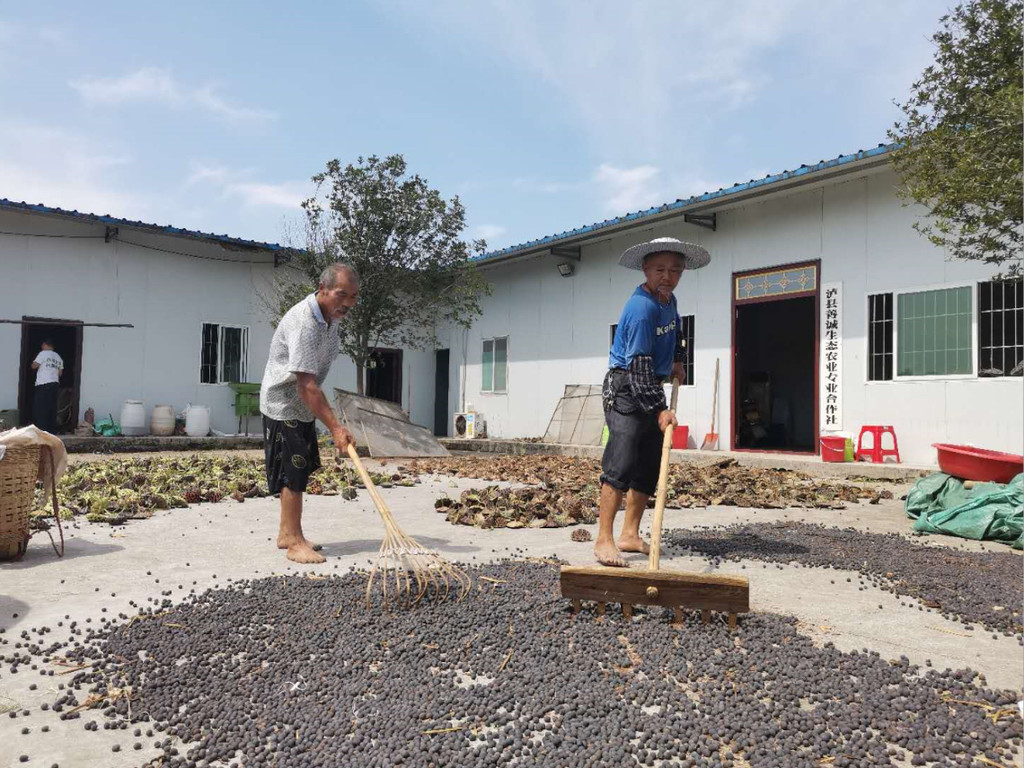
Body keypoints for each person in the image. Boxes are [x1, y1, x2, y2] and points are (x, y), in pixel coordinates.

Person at [595, 237, 711, 567]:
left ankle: (629, 534)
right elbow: (639, 366)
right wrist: (660, 410)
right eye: (660, 269)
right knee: (622, 460)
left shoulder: (669, 301)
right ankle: (604, 538)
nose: (667, 276)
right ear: (646, 270)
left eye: (675, 270)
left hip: (651, 385)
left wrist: (677, 360)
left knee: (648, 462)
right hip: (626, 388)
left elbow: (675, 333)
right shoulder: (641, 309)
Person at [259, 263, 359, 564]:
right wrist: (335, 428)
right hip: (284, 402)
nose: (347, 303)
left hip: (300, 404)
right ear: (323, 288)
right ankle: (294, 541)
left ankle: (287, 533)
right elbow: (306, 385)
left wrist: (330, 423)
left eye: (353, 297)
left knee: (300, 467)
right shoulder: (305, 322)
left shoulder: (330, 319)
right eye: (342, 295)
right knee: (293, 469)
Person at [31, 339, 63, 434]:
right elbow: (60, 373)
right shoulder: (58, 357)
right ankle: (51, 430)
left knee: (41, 408)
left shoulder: (43, 354)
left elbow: (34, 366)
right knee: (51, 407)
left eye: (42, 345)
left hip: (43, 384)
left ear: (45, 345)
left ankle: (42, 430)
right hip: (54, 384)